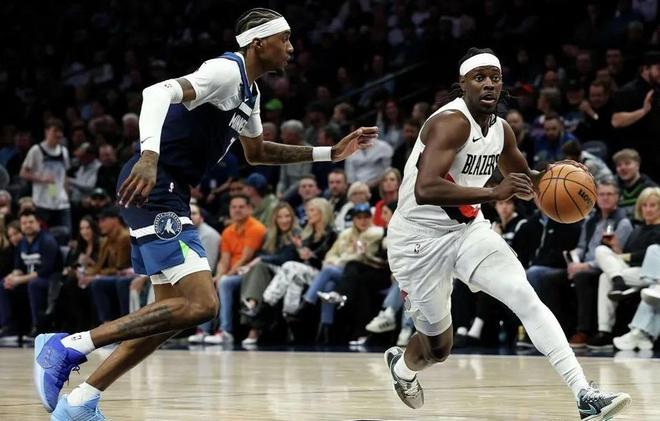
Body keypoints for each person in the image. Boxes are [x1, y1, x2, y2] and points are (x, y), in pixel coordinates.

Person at [34, 8, 377, 419]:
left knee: (170, 317)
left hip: (172, 191)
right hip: (155, 185)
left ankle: (80, 401)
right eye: (284, 38)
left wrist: (330, 153)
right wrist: (148, 156)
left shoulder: (249, 93)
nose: (291, 47)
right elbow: (155, 93)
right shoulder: (226, 71)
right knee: (202, 305)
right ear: (258, 43)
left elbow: (258, 152)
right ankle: (68, 345)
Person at [383, 48, 630, 420]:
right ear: (462, 84)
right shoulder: (450, 122)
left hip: (468, 231)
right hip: (418, 239)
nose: (488, 84)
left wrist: (561, 176)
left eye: (494, 78)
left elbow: (528, 180)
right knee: (437, 349)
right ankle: (402, 367)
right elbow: (426, 188)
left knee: (524, 295)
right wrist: (493, 192)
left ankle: (584, 394)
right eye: (479, 77)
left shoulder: (500, 130)